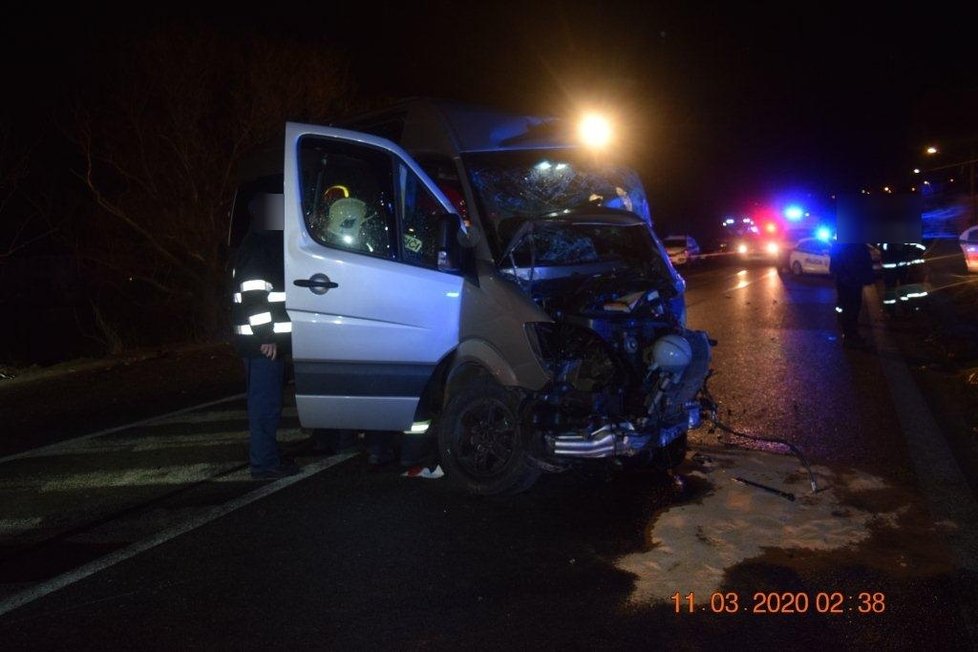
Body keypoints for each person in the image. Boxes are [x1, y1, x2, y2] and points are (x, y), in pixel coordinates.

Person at [230, 193, 300, 479]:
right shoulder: (259, 247)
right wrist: (266, 336)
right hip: (261, 345)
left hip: (264, 344)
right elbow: (254, 296)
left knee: (267, 404)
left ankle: (268, 458)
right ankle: (264, 464)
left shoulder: (261, 243)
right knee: (264, 406)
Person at [829, 241, 876, 348]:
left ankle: (850, 333)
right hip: (849, 281)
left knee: (851, 307)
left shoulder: (848, 244)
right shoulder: (852, 245)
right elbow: (864, 261)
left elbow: (864, 261)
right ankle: (850, 334)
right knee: (850, 307)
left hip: (851, 281)